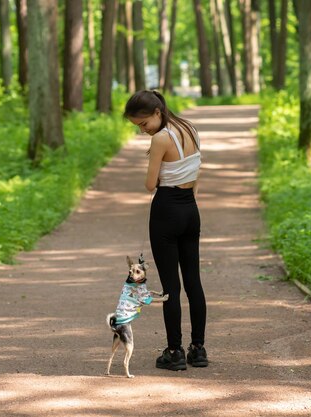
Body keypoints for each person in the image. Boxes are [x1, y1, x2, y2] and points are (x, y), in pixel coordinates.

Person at [123, 90, 208, 371]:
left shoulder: (161, 138)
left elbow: (150, 184)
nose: (143, 130)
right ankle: (198, 348)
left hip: (166, 210)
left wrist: (160, 171)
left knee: (171, 286)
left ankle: (174, 351)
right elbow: (195, 171)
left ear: (158, 112)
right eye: (138, 127)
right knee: (193, 282)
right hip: (190, 208)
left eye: (143, 123)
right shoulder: (189, 127)